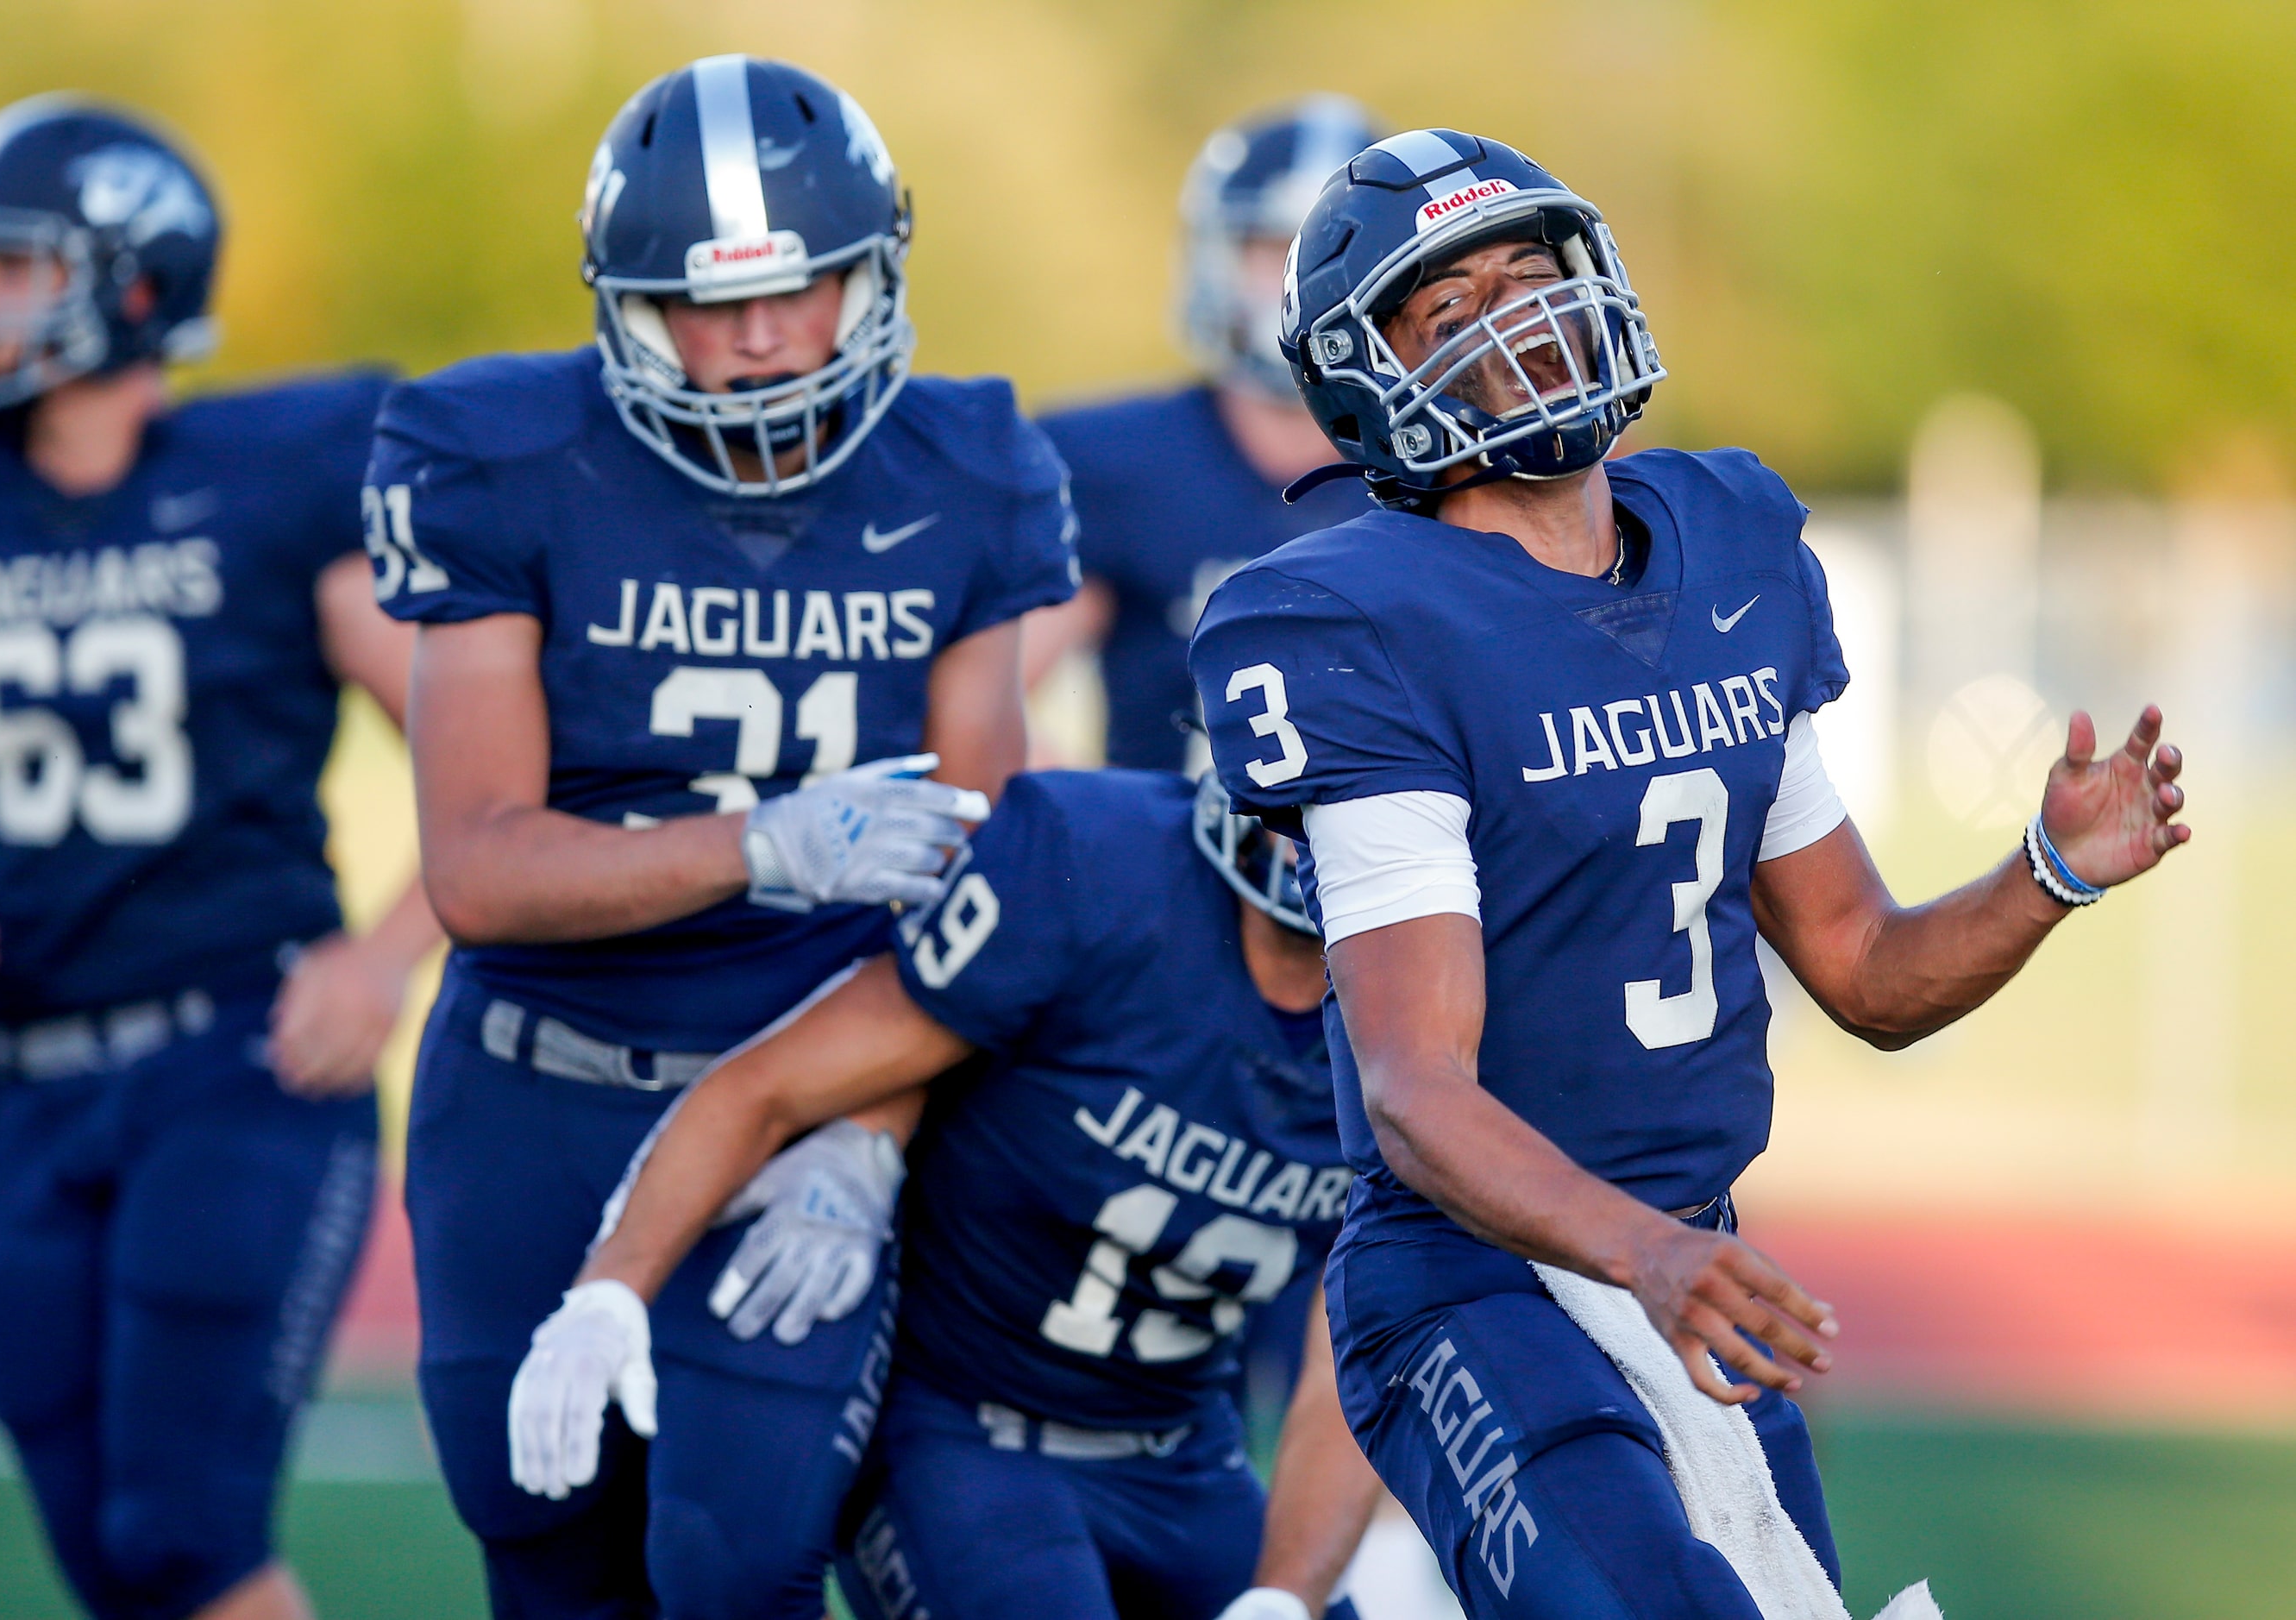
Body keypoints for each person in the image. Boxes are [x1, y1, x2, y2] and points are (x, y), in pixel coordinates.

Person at [1189, 129, 2190, 1619]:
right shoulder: (1368, 624)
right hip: (1475, 1288)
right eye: (1451, 310)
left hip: (1684, 1269)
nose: (1518, 316)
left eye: (1530, 272)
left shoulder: (1717, 556)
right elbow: (1412, 1088)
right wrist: (1644, 1254)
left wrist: (2045, 869)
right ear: (1369, 384)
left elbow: (1859, 966)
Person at [369, 55, 1078, 1619]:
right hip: (536, 1089)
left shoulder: (965, 467)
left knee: (737, 1557)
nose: (758, 336)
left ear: (872, 273)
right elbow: (479, 865)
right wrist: (763, 845)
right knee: (542, 1541)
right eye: (705, 302)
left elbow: (982, 882)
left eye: (804, 287)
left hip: (816, 1093)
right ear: (627, 304)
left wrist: (871, 1132)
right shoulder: (498, 452)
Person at [0, 97, 440, 1620]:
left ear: (130, 284)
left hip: (234, 1061)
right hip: (24, 1077)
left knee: (186, 1528)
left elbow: (483, 770)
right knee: (111, 1560)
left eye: (4, 268)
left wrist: (381, 959)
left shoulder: (274, 473)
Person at [508, 769, 1383, 1620]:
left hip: (1182, 1450)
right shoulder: (1099, 863)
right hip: (966, 1438)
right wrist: (610, 1290)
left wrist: (1285, 1598)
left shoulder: (1428, 1006)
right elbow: (765, 1087)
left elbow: (1347, 1365)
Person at [1023, 97, 1377, 775]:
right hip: (1168, 864)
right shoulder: (1117, 463)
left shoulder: (1447, 467)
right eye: (1278, 250)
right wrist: (1119, 835)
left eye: (1340, 251)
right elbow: (989, 709)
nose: (1305, 284)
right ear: (1218, 258)